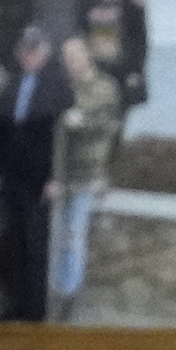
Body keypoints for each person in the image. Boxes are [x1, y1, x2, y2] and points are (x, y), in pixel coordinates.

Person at [0, 30, 64, 322]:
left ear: (45, 51)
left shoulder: (57, 86)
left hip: (40, 179)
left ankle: (35, 312)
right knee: (14, 243)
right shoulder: (11, 83)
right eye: (24, 50)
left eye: (34, 50)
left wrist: (55, 176)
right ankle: (15, 306)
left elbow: (61, 138)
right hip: (12, 176)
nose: (28, 55)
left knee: (35, 245)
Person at [51, 33, 124, 321]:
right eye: (67, 58)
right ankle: (54, 290)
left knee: (74, 236)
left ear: (87, 55)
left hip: (88, 172)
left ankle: (68, 296)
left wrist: (80, 119)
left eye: (76, 55)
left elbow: (106, 122)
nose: (72, 62)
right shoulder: (61, 87)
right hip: (59, 173)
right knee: (56, 236)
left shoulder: (105, 87)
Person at [89, 0, 149, 111]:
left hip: (123, 66)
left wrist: (136, 70)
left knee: (120, 115)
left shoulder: (132, 1)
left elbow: (140, 39)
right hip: (98, 67)